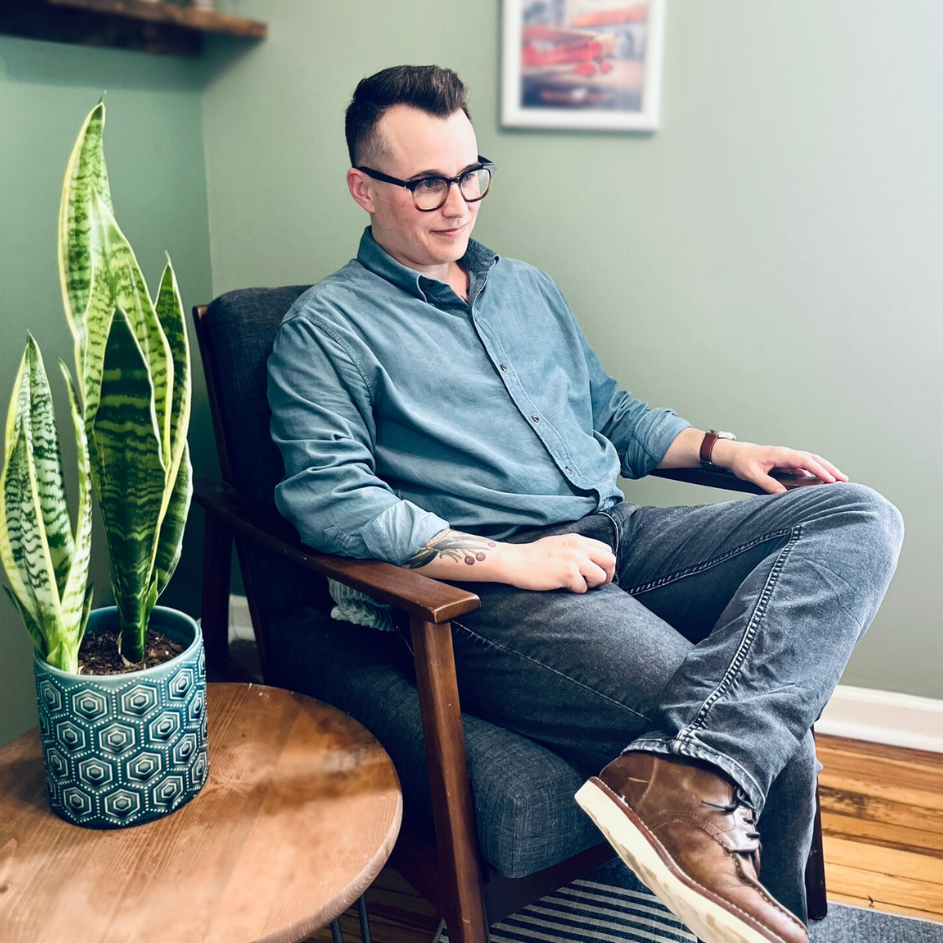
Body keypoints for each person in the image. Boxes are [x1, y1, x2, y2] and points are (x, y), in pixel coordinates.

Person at [267, 65, 903, 943]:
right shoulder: (326, 327)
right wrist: (510, 560)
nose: (455, 204)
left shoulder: (525, 287)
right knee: (775, 736)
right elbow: (329, 503)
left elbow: (610, 414)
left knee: (857, 514)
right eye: (425, 184)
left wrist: (726, 450)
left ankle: (684, 782)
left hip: (617, 537)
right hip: (499, 588)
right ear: (362, 188)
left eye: (468, 174)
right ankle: (737, 863)